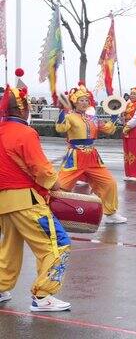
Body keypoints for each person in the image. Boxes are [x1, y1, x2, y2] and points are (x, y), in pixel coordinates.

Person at [0, 70, 72, 312]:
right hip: (26, 200)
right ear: (21, 108)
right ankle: (43, 295)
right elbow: (39, 167)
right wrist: (54, 183)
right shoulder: (25, 132)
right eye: (28, 103)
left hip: (4, 202)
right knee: (58, 244)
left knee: (9, 248)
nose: (30, 107)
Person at [55, 84, 127, 224]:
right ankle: (52, 212)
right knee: (60, 186)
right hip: (75, 157)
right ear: (74, 102)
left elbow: (108, 130)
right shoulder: (70, 117)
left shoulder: (92, 118)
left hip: (92, 156)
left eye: (86, 100)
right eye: (81, 100)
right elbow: (60, 128)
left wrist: (114, 117)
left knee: (109, 183)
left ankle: (111, 213)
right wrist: (63, 112)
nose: (84, 102)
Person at [122, 87, 136, 182]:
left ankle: (135, 174)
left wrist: (127, 125)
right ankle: (128, 173)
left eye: (134, 94)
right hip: (126, 130)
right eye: (131, 93)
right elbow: (123, 116)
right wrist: (122, 117)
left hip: (135, 130)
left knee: (135, 153)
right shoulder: (127, 104)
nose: (132, 95)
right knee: (127, 153)